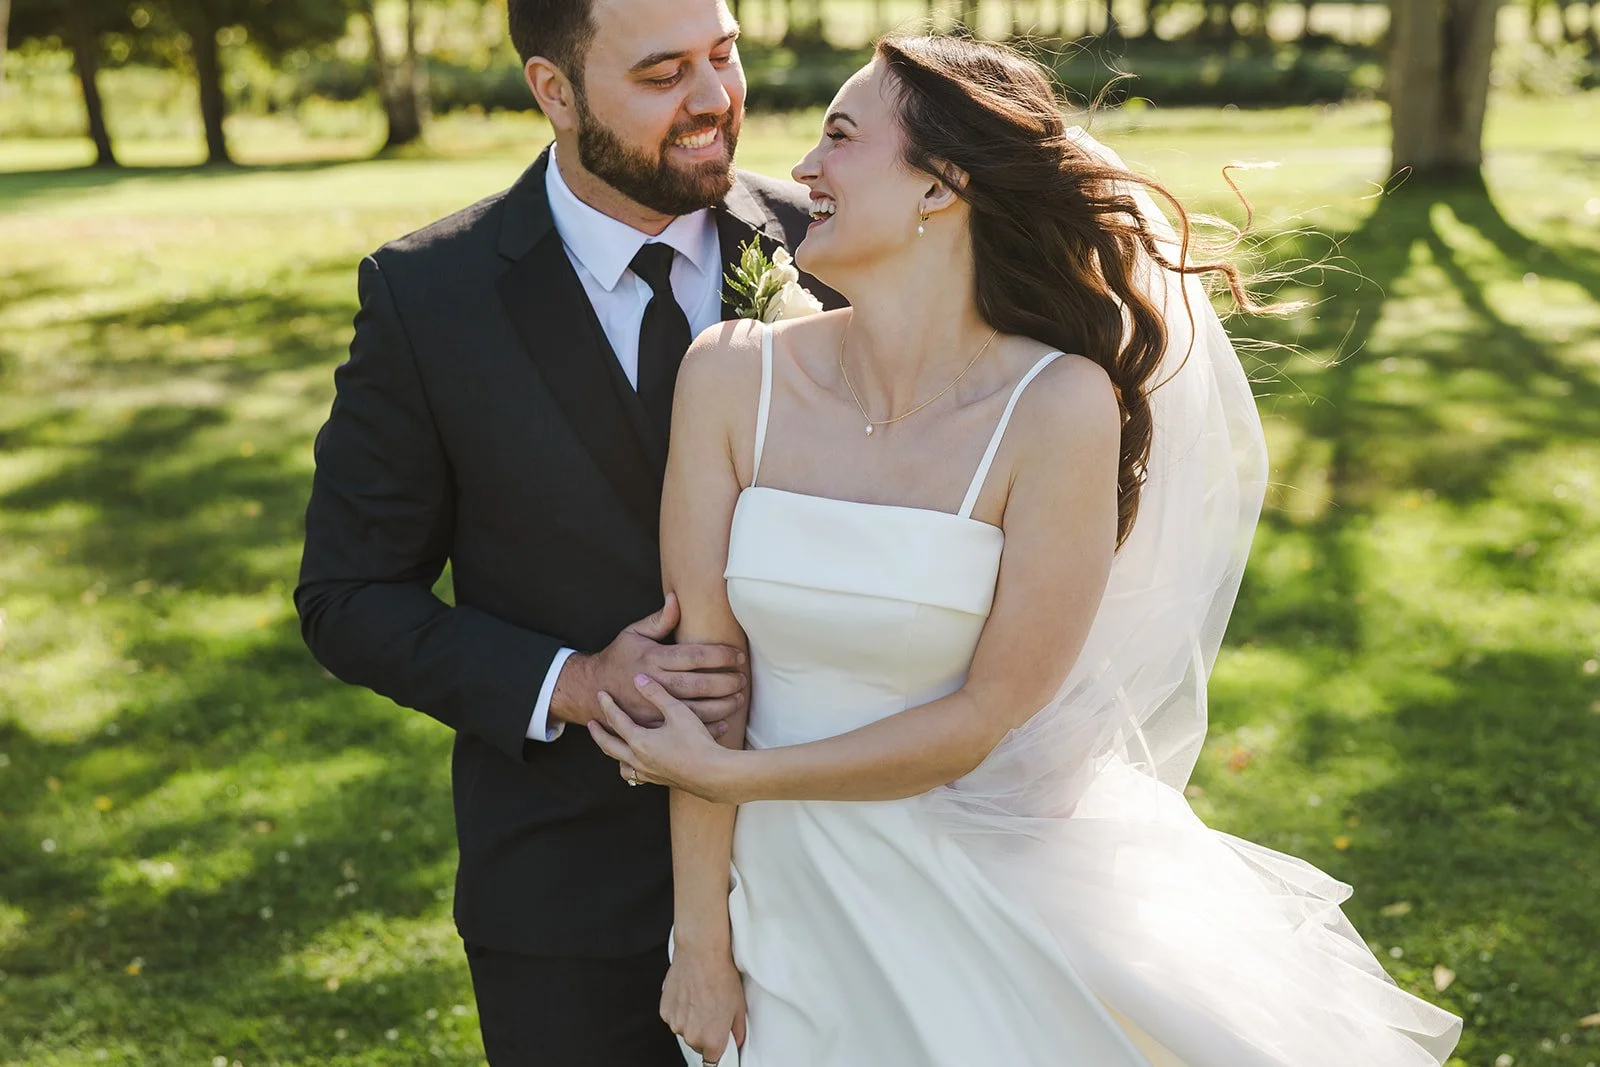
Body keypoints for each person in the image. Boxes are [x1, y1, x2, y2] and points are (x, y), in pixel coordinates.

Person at [588, 35, 1465, 1067]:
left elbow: (980, 714)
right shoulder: (732, 374)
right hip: (778, 915)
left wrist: (742, 776)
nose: (802, 170)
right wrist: (703, 935)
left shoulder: (1056, 407)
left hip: (974, 890)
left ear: (941, 186)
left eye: (838, 135)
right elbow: (707, 676)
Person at [293, 0, 840, 1060]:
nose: (714, 99)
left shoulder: (833, 243)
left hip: (836, 849)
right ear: (553, 90)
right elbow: (348, 597)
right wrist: (578, 682)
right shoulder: (427, 296)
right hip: (570, 894)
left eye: (723, 56)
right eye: (662, 72)